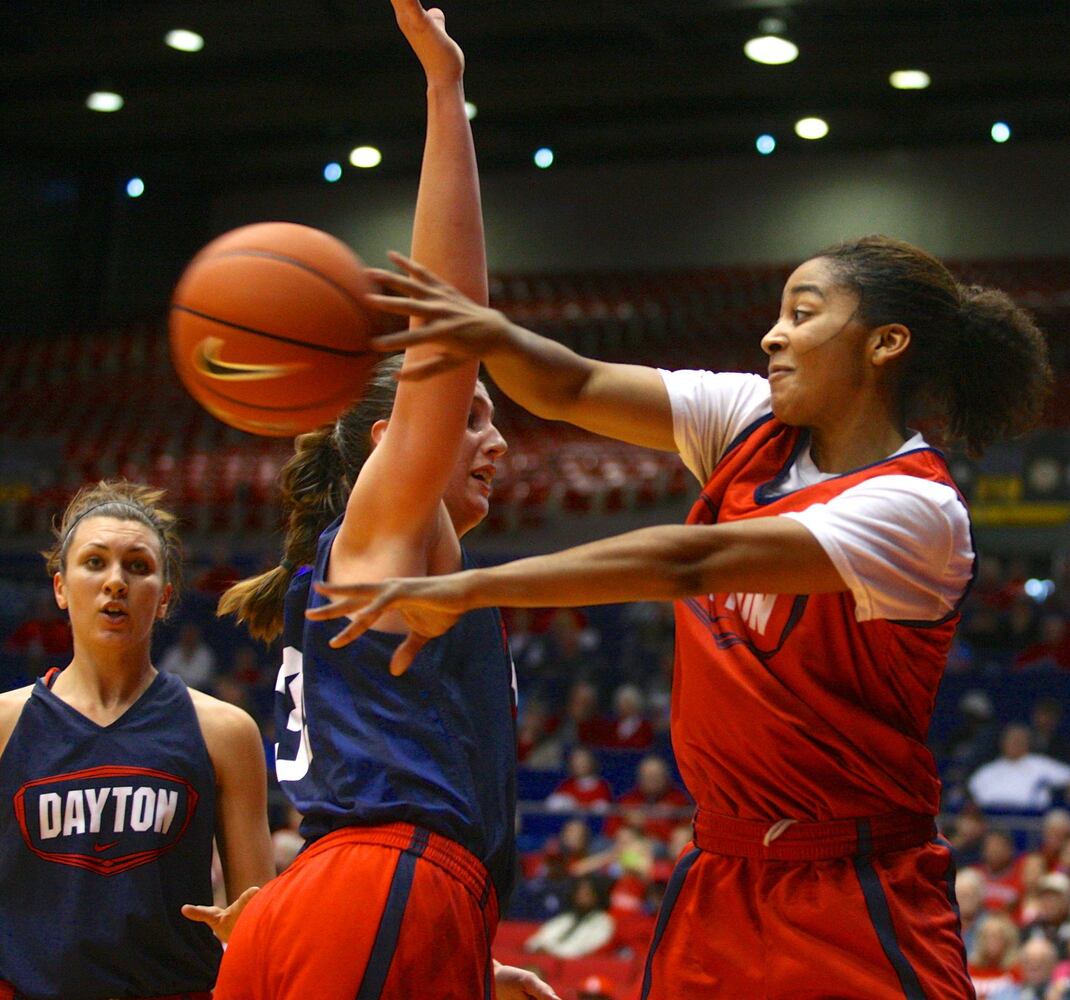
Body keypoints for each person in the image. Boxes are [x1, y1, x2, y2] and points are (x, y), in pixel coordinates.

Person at [310, 233, 1053, 997]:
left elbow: (688, 561)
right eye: (778, 314)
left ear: (885, 344)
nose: (774, 334)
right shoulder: (752, 418)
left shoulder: (918, 508)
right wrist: (487, 333)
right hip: (719, 870)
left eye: (804, 313)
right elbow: (575, 386)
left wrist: (471, 588)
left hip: (853, 879)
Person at [210, 4, 556, 999]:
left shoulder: (366, 557)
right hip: (382, 881)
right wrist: (446, 94)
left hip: (325, 892)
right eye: (473, 419)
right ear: (389, 441)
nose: (493, 442)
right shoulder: (388, 519)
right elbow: (444, 330)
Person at [0, 481, 274, 1000]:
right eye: (95, 562)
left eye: (138, 566)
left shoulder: (224, 732)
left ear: (166, 596)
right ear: (60, 586)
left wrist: (253, 924)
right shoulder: (5, 725)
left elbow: (257, 922)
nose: (116, 582)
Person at [969, 724, 1070, 812]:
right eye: (1011, 740)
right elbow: (973, 794)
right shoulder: (988, 770)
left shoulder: (1040, 764)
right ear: (1003, 743)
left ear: (1027, 743)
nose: (1015, 743)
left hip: (1030, 820)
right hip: (991, 819)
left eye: (1019, 740)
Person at [523, 876, 616, 960]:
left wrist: (551, 952)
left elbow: (585, 950)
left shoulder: (604, 922)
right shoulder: (565, 918)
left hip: (575, 966)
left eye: (587, 893)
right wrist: (538, 947)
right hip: (543, 960)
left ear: (597, 896)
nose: (581, 897)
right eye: (579, 893)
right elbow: (535, 941)